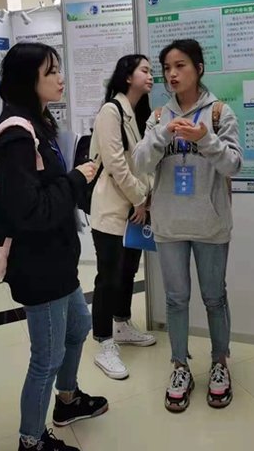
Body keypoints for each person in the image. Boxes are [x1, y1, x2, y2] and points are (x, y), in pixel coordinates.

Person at [0, 42, 107, 451]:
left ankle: (68, 400)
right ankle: (31, 440)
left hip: (57, 260)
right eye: (50, 71)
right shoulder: (19, 134)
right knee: (46, 359)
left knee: (78, 327)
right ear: (28, 80)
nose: (60, 77)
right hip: (39, 266)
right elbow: (30, 211)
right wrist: (76, 179)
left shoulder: (37, 123)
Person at [133, 39, 243, 413]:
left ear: (198, 68)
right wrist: (164, 134)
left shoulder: (219, 113)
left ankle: (219, 363)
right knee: (176, 300)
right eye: (166, 68)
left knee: (215, 297)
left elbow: (234, 166)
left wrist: (205, 140)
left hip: (211, 225)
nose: (172, 74)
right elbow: (139, 164)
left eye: (180, 65)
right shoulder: (157, 116)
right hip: (169, 226)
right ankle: (179, 366)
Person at [89, 54, 156, 380]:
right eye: (145, 70)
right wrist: (141, 198)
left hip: (134, 208)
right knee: (109, 276)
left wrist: (145, 199)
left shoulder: (138, 112)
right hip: (112, 210)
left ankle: (122, 323)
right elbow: (116, 165)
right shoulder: (110, 111)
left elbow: (144, 162)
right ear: (128, 76)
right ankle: (104, 341)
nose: (151, 75)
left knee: (129, 269)